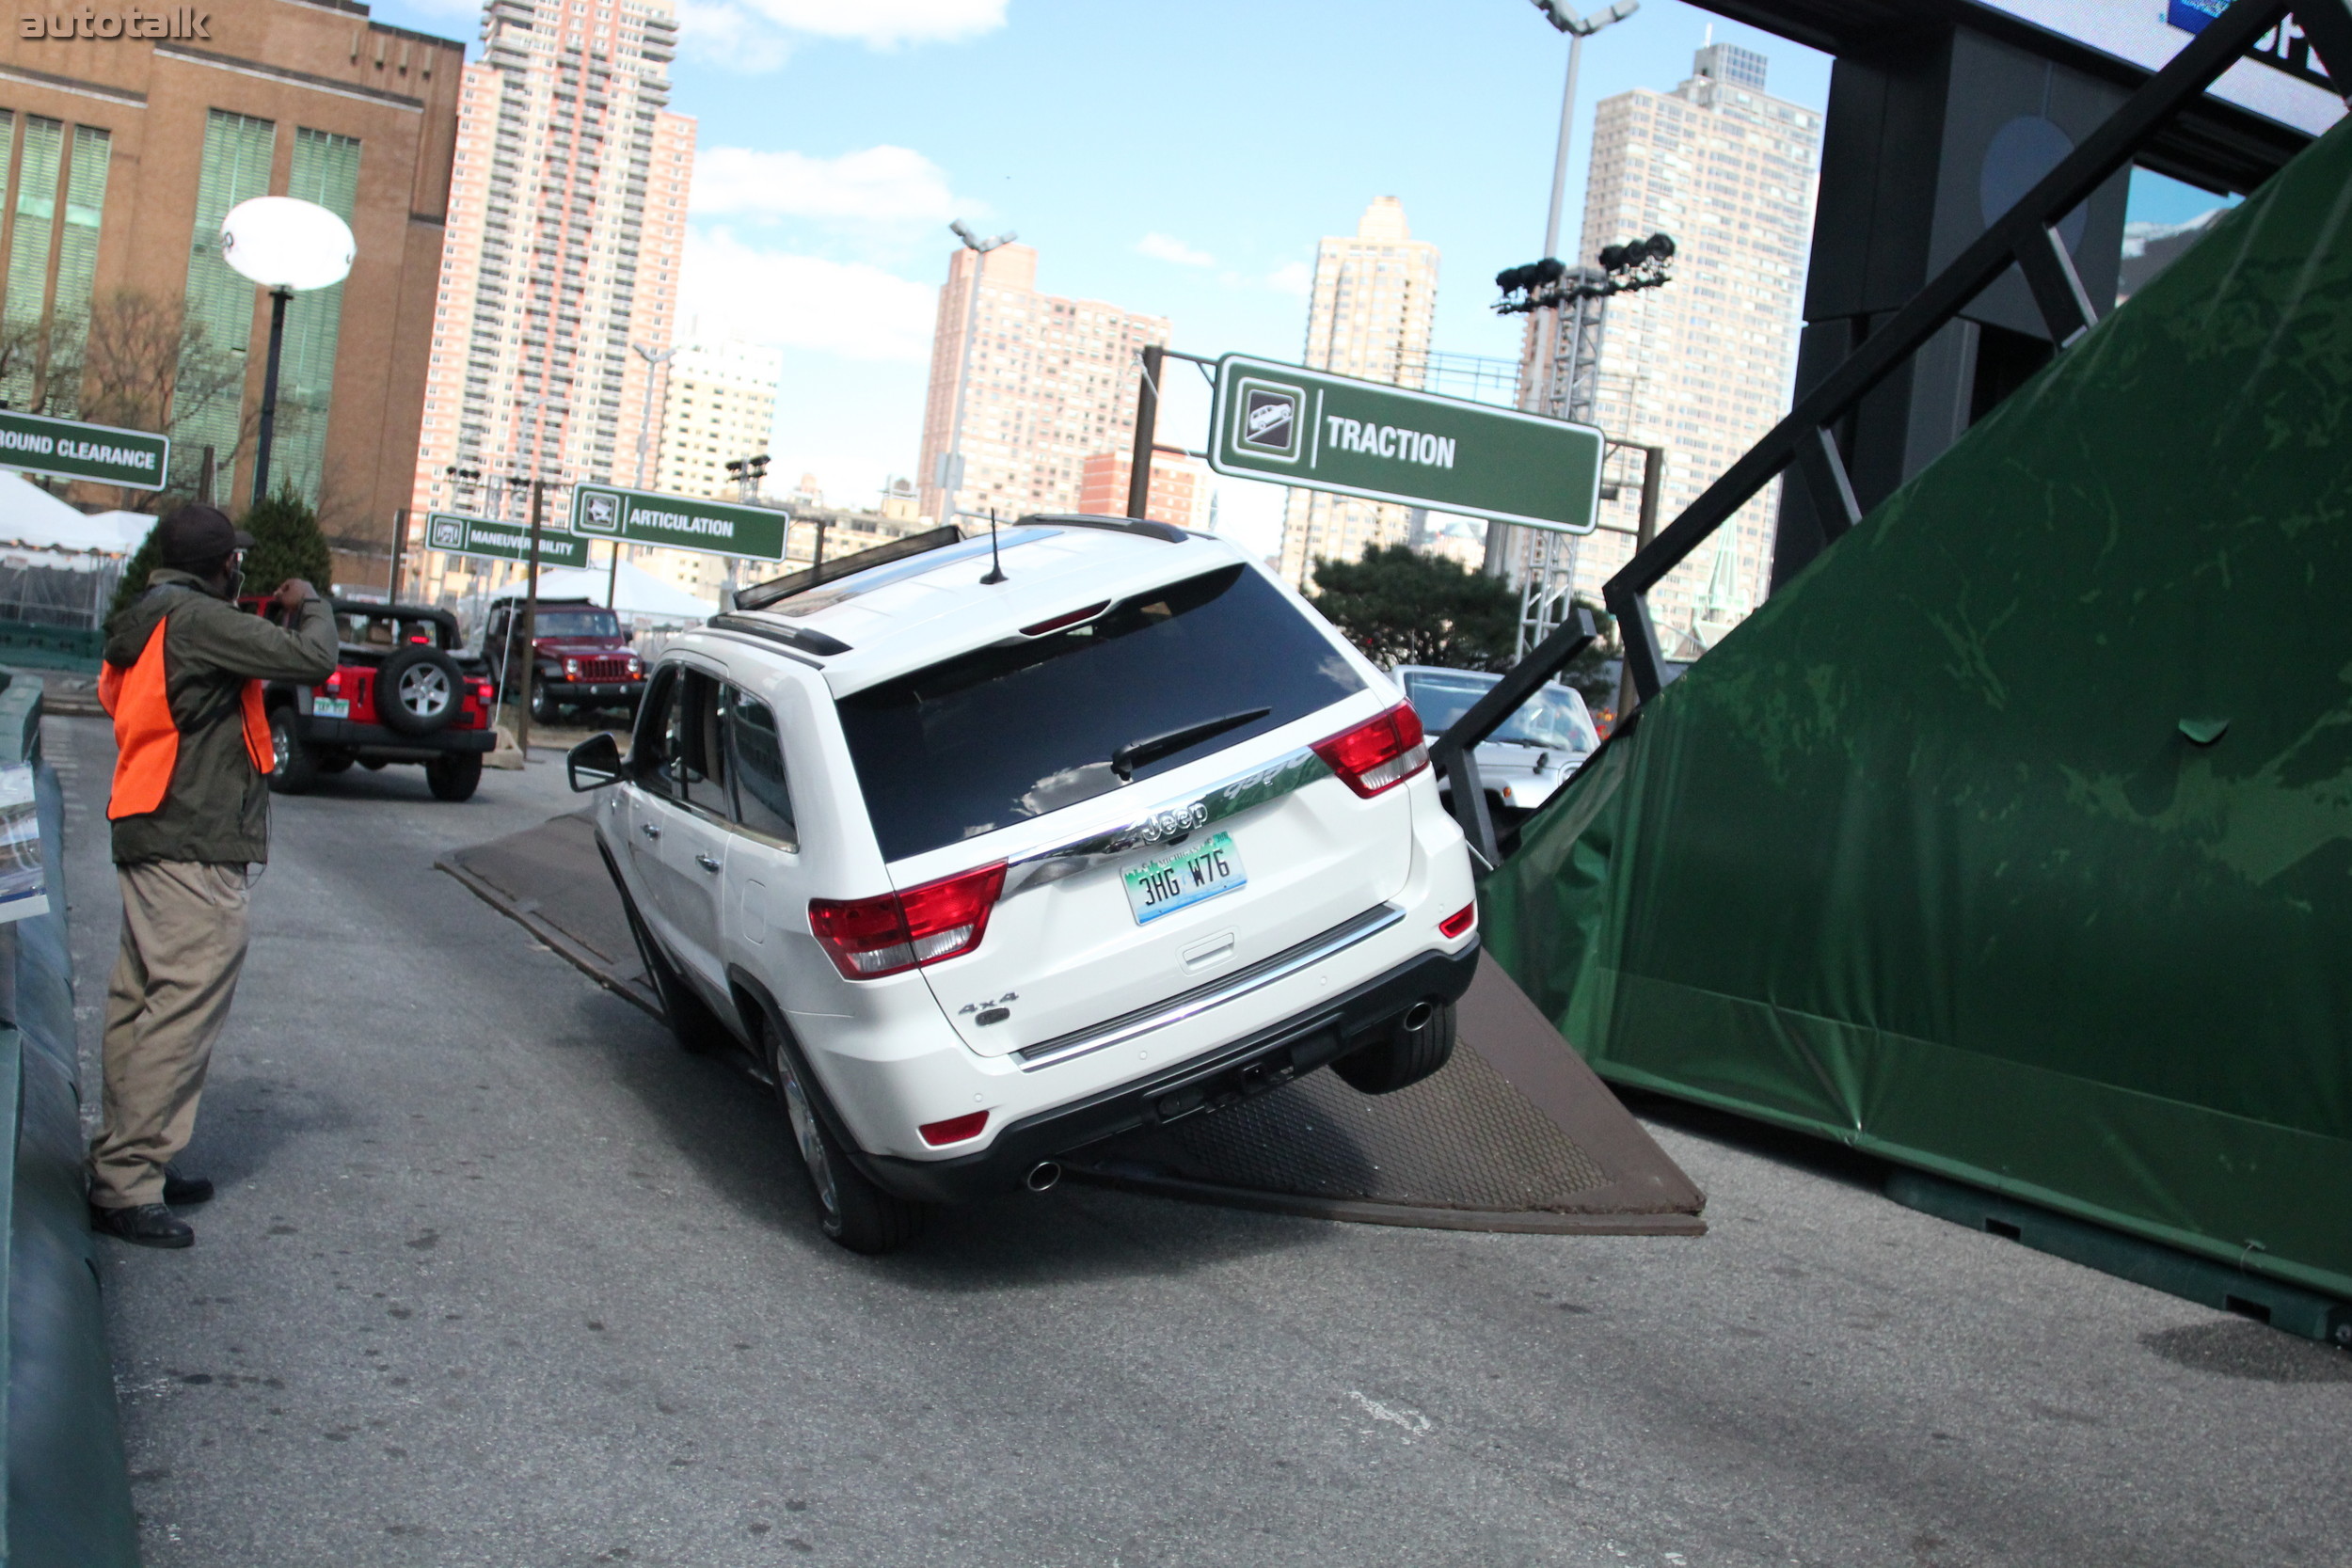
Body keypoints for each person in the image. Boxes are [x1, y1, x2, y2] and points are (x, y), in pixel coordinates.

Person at [87, 504, 338, 1248]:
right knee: (183, 1002)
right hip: (189, 836)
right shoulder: (198, 619)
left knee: (141, 998)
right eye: (237, 561)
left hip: (148, 822)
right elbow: (313, 659)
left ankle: (128, 1161)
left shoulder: (151, 616)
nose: (243, 570)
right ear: (219, 565)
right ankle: (128, 1180)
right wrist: (311, 602)